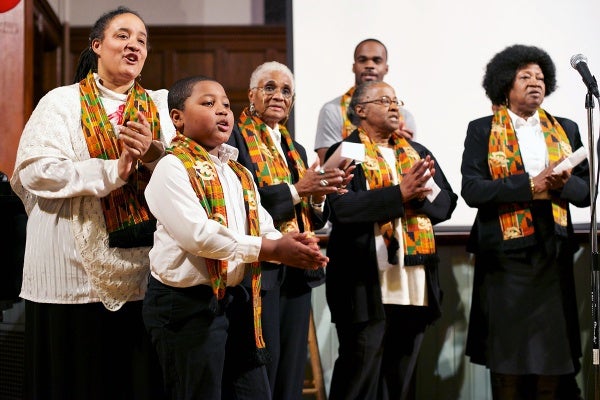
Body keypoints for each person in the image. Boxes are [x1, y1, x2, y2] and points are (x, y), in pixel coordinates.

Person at [10, 7, 175, 400]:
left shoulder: (158, 107)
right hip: (69, 269)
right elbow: (35, 170)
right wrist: (112, 171)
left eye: (142, 39)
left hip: (143, 272)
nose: (134, 44)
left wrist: (153, 155)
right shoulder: (61, 103)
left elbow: (183, 177)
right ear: (97, 46)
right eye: (122, 35)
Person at [141, 75, 329, 399]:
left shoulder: (236, 171)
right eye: (208, 103)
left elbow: (262, 223)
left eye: (226, 104)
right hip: (186, 306)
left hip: (234, 300)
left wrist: (290, 243)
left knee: (255, 391)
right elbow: (200, 237)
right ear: (177, 118)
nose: (223, 112)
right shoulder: (172, 167)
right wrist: (271, 248)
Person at [461, 44, 589, 400]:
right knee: (509, 356)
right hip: (504, 257)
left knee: (552, 357)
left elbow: (587, 193)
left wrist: (564, 184)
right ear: (506, 85)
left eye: (541, 77)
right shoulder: (482, 129)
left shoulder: (566, 128)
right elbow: (472, 190)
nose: (536, 83)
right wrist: (531, 186)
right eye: (525, 77)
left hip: (553, 252)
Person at [324, 80, 457, 400]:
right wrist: (399, 194)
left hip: (414, 280)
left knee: (400, 379)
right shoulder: (347, 151)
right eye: (384, 100)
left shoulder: (417, 153)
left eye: (397, 100)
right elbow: (340, 208)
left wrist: (417, 199)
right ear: (360, 111)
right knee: (359, 374)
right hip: (365, 280)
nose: (394, 105)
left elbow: (447, 203)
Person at [226, 61, 350, 399]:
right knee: (263, 369)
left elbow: (314, 216)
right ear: (251, 95)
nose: (278, 95)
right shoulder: (234, 139)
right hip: (260, 268)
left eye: (286, 91)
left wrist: (319, 197)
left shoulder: (295, 148)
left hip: (296, 271)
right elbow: (242, 202)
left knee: (292, 371)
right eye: (269, 87)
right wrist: (298, 189)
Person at [314, 38, 417, 166]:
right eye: (362, 60)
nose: (369, 65)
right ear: (354, 67)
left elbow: (412, 162)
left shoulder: (404, 116)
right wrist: (380, 134)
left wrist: (396, 141)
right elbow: (328, 166)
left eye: (376, 60)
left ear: (386, 68)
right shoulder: (333, 109)